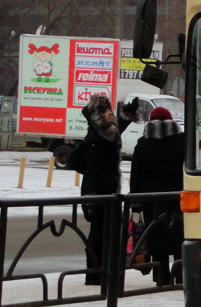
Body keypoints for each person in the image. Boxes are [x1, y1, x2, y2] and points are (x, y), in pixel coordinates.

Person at [68, 94, 136, 285]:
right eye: (108, 110)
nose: (111, 113)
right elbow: (110, 139)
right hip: (99, 190)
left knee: (104, 231)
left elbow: (114, 132)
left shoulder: (98, 131)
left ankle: (100, 273)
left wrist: (126, 116)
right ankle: (96, 274)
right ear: (101, 112)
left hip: (101, 188)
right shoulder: (99, 135)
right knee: (99, 233)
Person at [129, 106, 185, 286]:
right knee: (179, 237)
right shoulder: (182, 141)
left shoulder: (142, 144)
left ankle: (161, 278)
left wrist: (135, 202)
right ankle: (180, 275)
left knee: (157, 239)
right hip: (177, 198)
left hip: (151, 200)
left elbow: (136, 175)